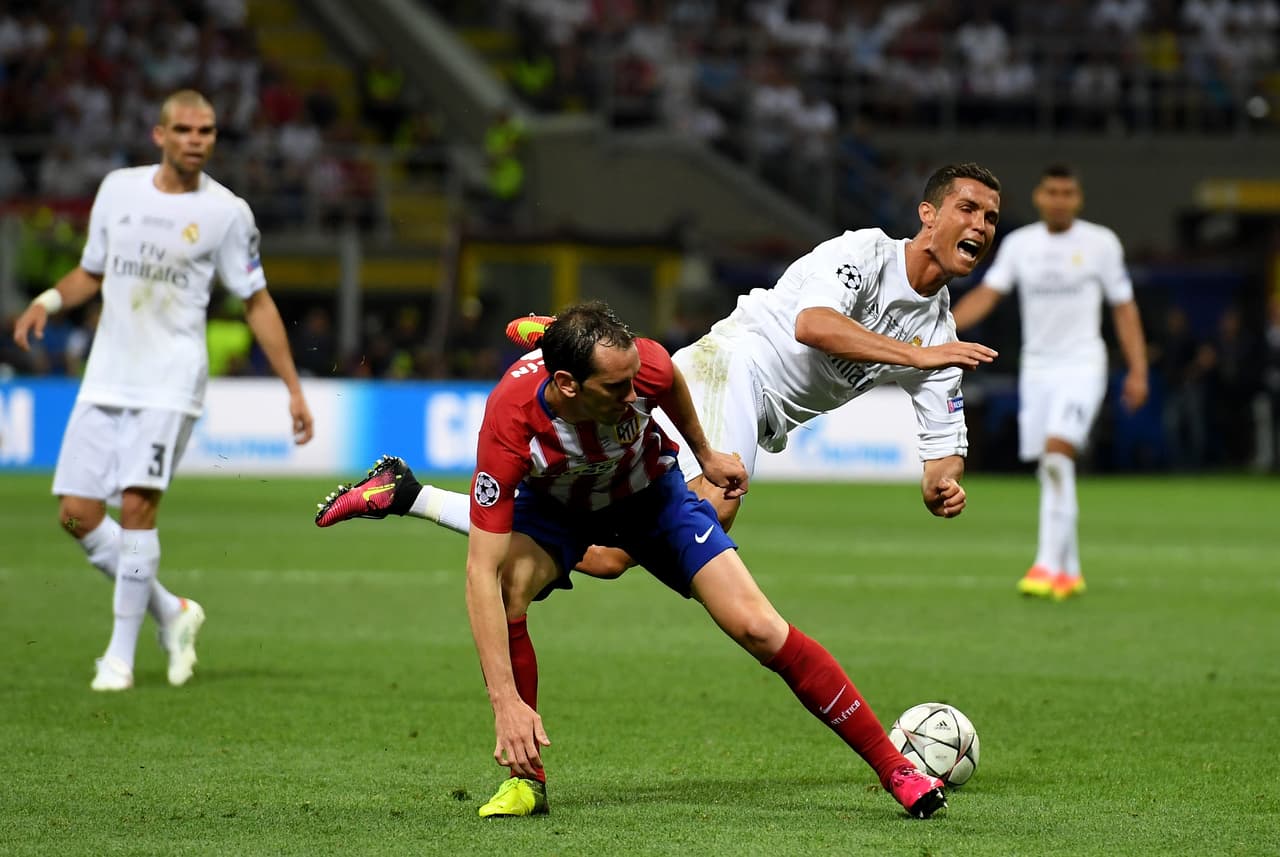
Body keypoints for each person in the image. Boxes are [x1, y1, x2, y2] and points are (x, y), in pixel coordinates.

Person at [390, 301, 951, 819]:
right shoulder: (508, 421)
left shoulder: (643, 367)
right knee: (512, 587)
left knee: (759, 627)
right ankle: (526, 781)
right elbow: (477, 574)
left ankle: (895, 768)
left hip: (650, 498)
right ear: (565, 383)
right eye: (616, 388)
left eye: (635, 380)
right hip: (558, 506)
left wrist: (705, 454)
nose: (635, 395)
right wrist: (505, 702)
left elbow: (671, 381)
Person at [317, 162, 1003, 581]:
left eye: (991, 217)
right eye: (967, 207)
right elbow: (812, 326)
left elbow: (942, 456)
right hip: (731, 364)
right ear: (928, 214)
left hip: (760, 412)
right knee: (712, 511)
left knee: (613, 558)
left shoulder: (941, 338)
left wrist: (943, 488)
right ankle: (568, 340)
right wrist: (915, 355)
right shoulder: (862, 255)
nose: (980, 222)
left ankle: (406, 494)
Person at [11, 89, 315, 691]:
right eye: (183, 129)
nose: (196, 140)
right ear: (159, 135)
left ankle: (118, 659)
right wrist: (46, 300)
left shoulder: (228, 212)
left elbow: (255, 300)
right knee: (76, 515)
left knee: (136, 508)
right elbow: (90, 273)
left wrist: (293, 388)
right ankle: (171, 611)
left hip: (171, 381)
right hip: (106, 376)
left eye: (206, 130)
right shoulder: (117, 190)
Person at [950, 164, 1148, 601]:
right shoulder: (1021, 245)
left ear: (1078, 198)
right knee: (1049, 468)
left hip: (1083, 366)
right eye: (1052, 191)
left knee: (1058, 458)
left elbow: (1124, 309)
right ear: (1039, 196)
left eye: (1068, 192)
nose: (1059, 199)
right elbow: (988, 293)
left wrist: (1138, 370)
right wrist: (945, 329)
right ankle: (1070, 571)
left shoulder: (1101, 244)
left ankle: (1045, 564)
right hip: (1038, 369)